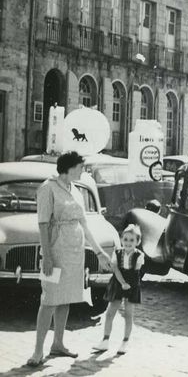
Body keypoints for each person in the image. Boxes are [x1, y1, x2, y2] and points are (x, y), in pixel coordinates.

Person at [28, 151, 112, 367]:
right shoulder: (48, 188)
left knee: (65, 298)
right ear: (70, 167)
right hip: (55, 251)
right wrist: (47, 256)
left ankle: (58, 343)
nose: (83, 171)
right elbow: (43, 224)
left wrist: (99, 252)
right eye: (80, 167)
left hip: (74, 253)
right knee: (48, 300)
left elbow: (84, 223)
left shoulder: (75, 189)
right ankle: (38, 351)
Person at [93, 224, 145, 355]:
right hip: (118, 282)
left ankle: (125, 342)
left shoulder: (139, 256)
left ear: (137, 242)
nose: (128, 243)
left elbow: (136, 273)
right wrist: (122, 283)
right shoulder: (117, 253)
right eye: (125, 239)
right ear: (121, 239)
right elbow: (115, 269)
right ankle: (105, 340)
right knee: (110, 312)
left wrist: (128, 286)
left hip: (132, 284)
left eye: (132, 240)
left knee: (128, 314)